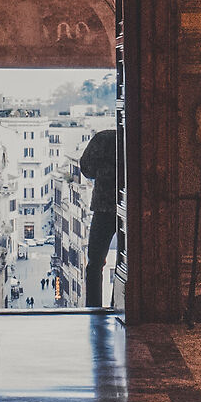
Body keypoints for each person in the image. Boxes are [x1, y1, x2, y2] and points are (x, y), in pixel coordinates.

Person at [78, 127, 122, 308]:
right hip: (132, 207)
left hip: (103, 207)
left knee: (95, 262)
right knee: (126, 261)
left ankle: (94, 306)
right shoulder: (141, 139)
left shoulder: (103, 138)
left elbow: (86, 169)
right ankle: (119, 304)